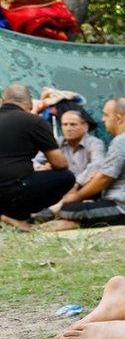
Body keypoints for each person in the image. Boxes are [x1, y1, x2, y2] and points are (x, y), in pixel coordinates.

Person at [44, 97, 125, 231]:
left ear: (118, 118)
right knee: (83, 193)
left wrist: (74, 198)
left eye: (106, 115)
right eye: (64, 125)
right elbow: (104, 175)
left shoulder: (124, 140)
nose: (103, 119)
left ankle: (74, 222)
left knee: (68, 209)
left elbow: (104, 179)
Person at [0, 84, 74, 230]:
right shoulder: (34, 121)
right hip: (15, 190)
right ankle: (16, 216)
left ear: (3, 101)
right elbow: (60, 164)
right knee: (66, 177)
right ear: (28, 103)